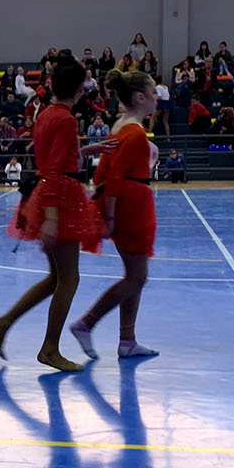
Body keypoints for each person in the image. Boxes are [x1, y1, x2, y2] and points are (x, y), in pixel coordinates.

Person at [0, 53, 115, 371]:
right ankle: (49, 349)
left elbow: (52, 158)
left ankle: (4, 323)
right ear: (78, 90)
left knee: (56, 278)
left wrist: (85, 150)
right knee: (69, 279)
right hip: (60, 197)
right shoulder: (67, 119)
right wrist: (53, 217)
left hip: (50, 192)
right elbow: (57, 169)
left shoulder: (45, 114)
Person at [71, 70, 161, 359]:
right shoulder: (132, 132)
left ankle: (127, 340)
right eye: (153, 92)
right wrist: (109, 217)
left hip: (130, 201)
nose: (157, 97)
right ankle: (87, 323)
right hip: (130, 205)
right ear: (140, 97)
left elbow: (104, 174)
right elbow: (113, 177)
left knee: (135, 275)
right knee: (137, 278)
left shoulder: (121, 126)